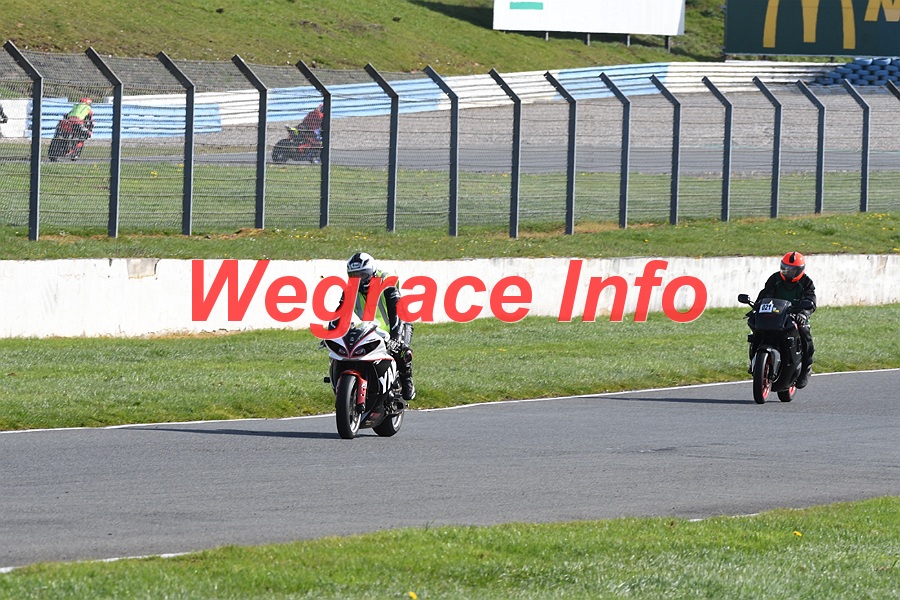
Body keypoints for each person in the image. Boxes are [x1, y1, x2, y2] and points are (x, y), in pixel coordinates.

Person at [340, 251, 416, 402]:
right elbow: (339, 314)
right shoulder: (349, 289)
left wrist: (396, 338)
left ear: (372, 272)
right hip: (371, 329)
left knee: (401, 351)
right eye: (354, 275)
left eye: (362, 274)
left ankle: (407, 381)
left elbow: (396, 312)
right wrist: (332, 333)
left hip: (399, 324)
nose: (358, 279)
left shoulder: (387, 283)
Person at [755, 251, 816, 388]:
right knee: (756, 328)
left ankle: (806, 367)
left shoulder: (806, 282)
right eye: (785, 268)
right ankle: (756, 357)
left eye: (792, 270)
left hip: (796, 315)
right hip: (775, 314)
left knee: (805, 334)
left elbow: (810, 300)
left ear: (800, 270)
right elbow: (765, 294)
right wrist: (757, 307)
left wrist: (803, 314)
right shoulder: (775, 279)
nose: (788, 272)